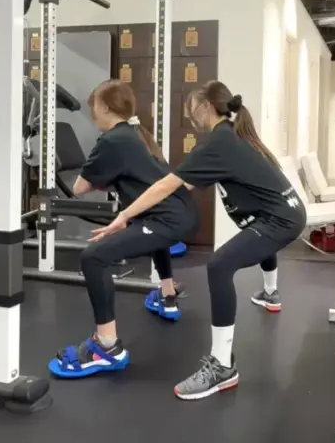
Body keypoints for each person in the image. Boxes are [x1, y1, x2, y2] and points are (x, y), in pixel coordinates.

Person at [91, 80, 306, 400]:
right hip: (287, 211)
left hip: (279, 220)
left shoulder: (217, 144)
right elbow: (182, 187)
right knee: (253, 235)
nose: (189, 117)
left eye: (191, 109)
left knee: (219, 265)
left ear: (206, 107)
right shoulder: (234, 134)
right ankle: (270, 293)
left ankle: (222, 367)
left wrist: (124, 216)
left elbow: (168, 187)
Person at [49, 80, 198, 379]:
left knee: (94, 257)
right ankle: (167, 297)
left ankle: (106, 347)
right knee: (147, 231)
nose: (92, 114)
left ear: (104, 107)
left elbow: (79, 187)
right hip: (182, 212)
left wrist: (104, 175)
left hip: (166, 219)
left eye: (93, 107)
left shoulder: (111, 140)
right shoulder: (137, 134)